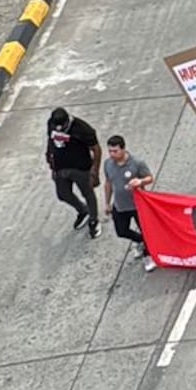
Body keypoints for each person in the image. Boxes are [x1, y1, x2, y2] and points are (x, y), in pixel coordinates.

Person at [46, 104, 101, 237]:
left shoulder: (82, 129)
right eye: (57, 127)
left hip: (81, 168)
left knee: (87, 193)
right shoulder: (52, 124)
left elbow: (96, 149)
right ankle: (83, 211)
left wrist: (95, 171)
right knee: (63, 194)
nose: (59, 129)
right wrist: (49, 158)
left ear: (67, 121)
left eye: (62, 127)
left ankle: (93, 220)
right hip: (60, 167)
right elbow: (51, 140)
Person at [102, 134, 156, 269]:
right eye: (110, 151)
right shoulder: (108, 164)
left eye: (115, 151)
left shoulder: (137, 163)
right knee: (121, 231)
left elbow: (149, 178)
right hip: (120, 205)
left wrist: (141, 181)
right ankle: (140, 241)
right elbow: (108, 183)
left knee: (146, 231)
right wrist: (107, 202)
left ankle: (148, 255)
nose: (112, 154)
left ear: (123, 149)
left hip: (138, 205)